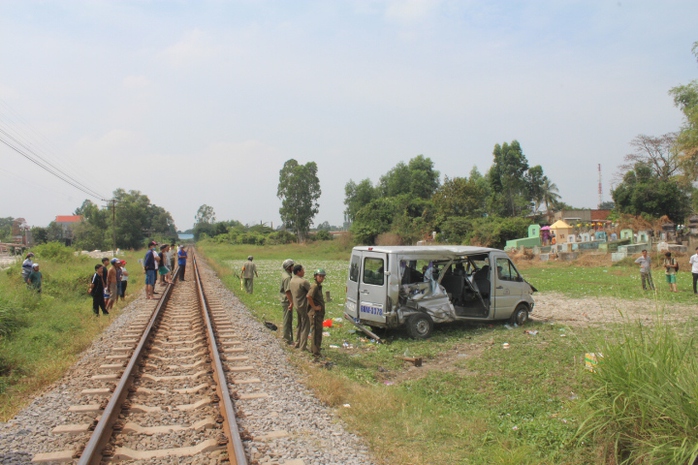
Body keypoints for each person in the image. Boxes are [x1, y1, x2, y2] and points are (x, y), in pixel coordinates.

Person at [290, 264, 311, 352]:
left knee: (299, 324)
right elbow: (311, 292)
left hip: (296, 305)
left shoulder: (292, 280)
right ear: (298, 271)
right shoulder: (303, 282)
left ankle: (297, 342)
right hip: (304, 306)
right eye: (302, 270)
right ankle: (303, 346)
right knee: (306, 325)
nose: (304, 272)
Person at [307, 269, 326, 357]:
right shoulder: (314, 286)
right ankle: (315, 352)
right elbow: (309, 296)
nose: (321, 278)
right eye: (320, 276)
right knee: (315, 333)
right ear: (315, 276)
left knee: (318, 332)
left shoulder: (318, 286)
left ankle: (316, 349)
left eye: (323, 276)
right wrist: (314, 307)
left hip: (319, 314)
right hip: (315, 313)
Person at [279, 259, 295, 345]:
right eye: (292, 266)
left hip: (285, 300)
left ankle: (288, 338)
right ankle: (286, 339)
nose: (293, 267)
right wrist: (291, 302)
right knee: (287, 320)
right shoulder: (288, 277)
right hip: (286, 301)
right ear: (289, 267)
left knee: (287, 319)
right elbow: (288, 291)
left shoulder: (285, 274)